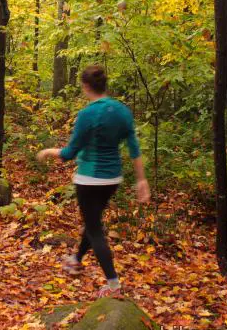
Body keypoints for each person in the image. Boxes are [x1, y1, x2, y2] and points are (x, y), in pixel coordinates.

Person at [37, 65, 150, 298]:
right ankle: (76, 259)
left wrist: (49, 151)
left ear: (85, 86)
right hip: (112, 179)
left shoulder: (87, 114)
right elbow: (134, 149)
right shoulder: (122, 111)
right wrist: (142, 180)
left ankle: (113, 285)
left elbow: (69, 153)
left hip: (89, 179)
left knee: (94, 228)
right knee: (93, 222)